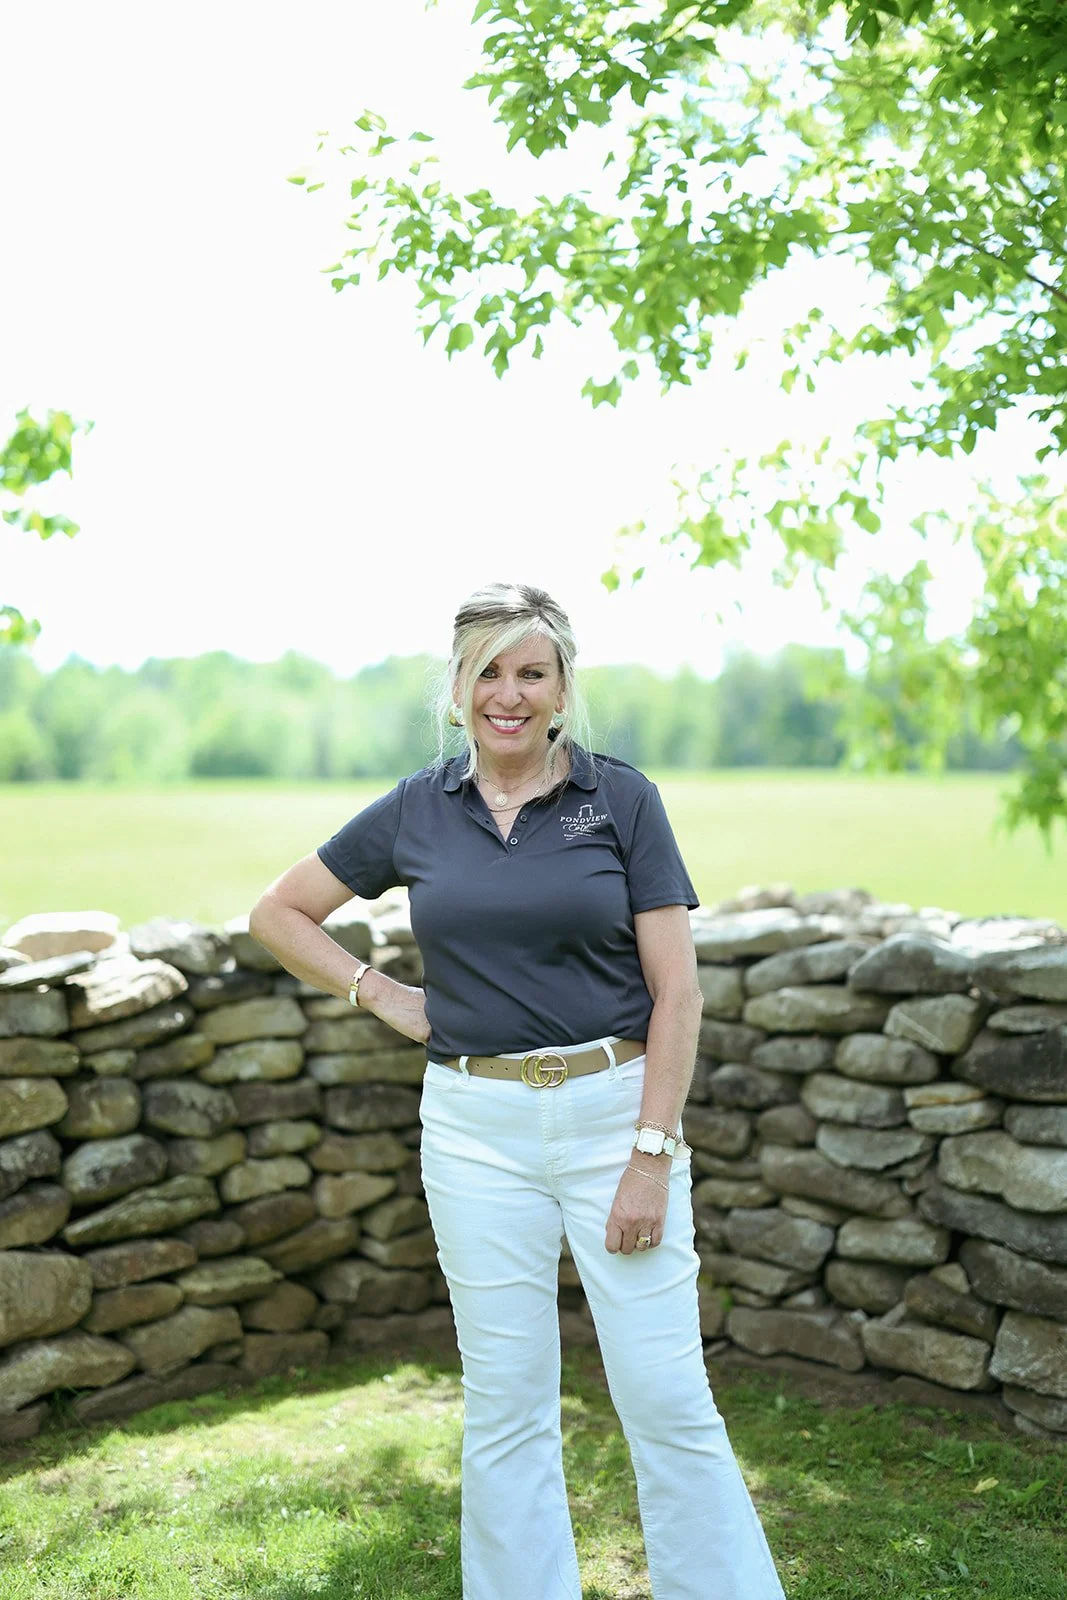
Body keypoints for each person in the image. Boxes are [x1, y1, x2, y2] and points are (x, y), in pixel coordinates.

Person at [248, 582, 787, 1600]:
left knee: (665, 1394)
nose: (507, 692)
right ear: (456, 691)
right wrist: (381, 993)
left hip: (610, 1118)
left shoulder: (619, 799)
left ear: (559, 688)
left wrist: (647, 1155)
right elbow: (277, 913)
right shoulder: (417, 806)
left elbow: (676, 990)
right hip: (472, 1130)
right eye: (485, 671)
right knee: (505, 1404)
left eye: (528, 671)